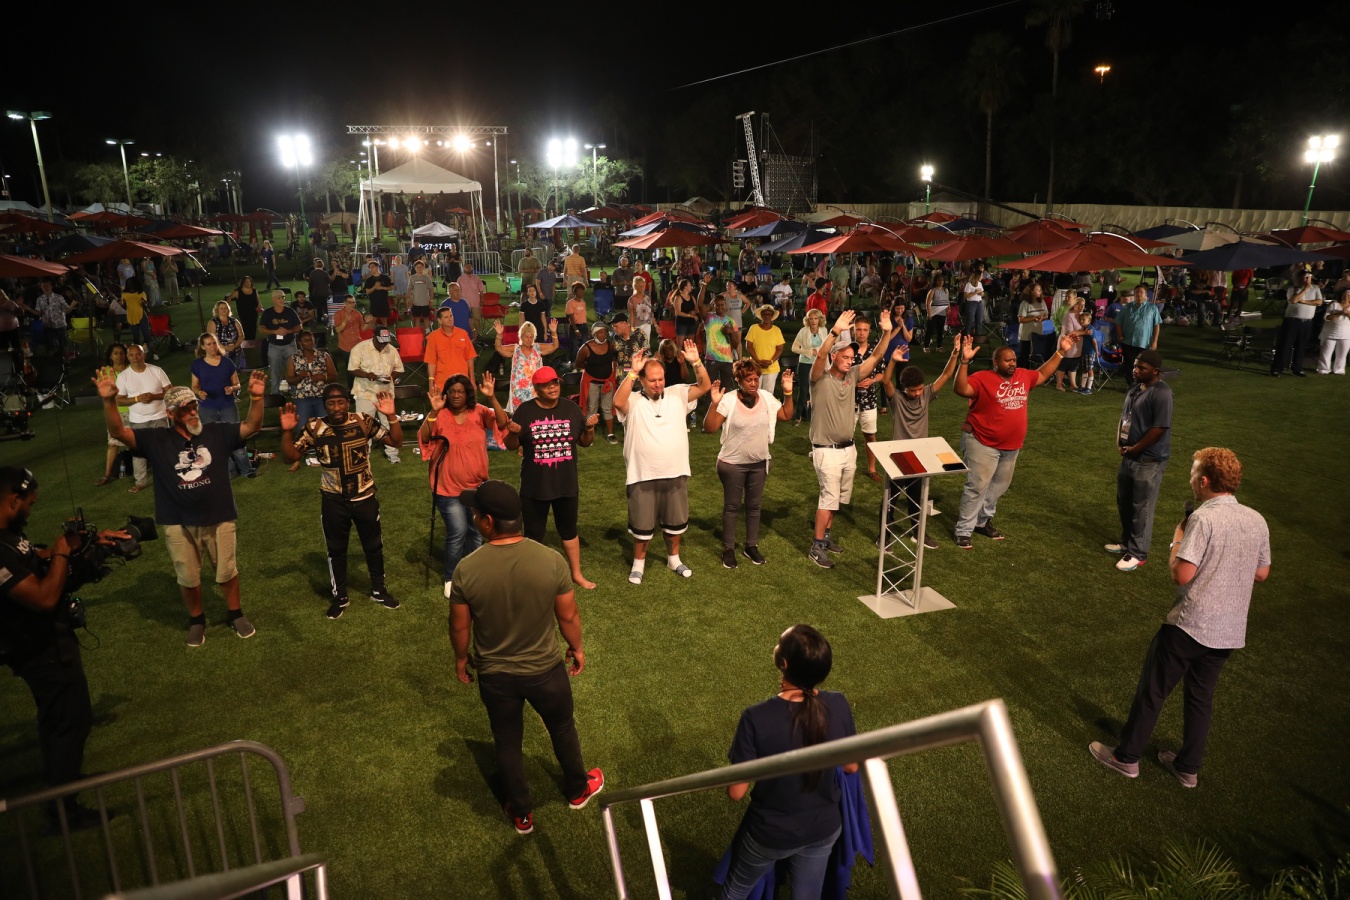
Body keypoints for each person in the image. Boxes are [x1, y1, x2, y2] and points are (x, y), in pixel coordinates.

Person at [1089, 448, 1271, 788]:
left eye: (1193, 473)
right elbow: (1262, 573)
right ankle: (1188, 768)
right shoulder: (1256, 519)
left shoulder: (1202, 519)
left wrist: (1177, 538)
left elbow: (1181, 574)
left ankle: (1126, 758)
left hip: (1190, 625)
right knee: (1200, 699)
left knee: (1153, 691)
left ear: (1204, 481)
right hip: (1229, 632)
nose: (1190, 479)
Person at [448, 479, 604, 836]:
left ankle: (521, 813)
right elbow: (568, 615)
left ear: (488, 522)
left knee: (507, 741)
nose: (474, 518)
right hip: (546, 671)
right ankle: (577, 790)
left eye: (476, 513)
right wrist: (577, 647)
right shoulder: (551, 560)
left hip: (496, 677)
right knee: (562, 728)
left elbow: (459, 626)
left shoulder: (466, 569)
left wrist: (460, 659)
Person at [0, 467, 130, 831]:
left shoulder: (9, 536)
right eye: (29, 503)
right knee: (70, 721)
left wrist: (83, 544)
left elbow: (31, 557)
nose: (31, 509)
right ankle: (63, 810)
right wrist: (60, 553)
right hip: (39, 650)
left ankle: (61, 782)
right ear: (13, 500)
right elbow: (43, 598)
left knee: (58, 720)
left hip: (47, 643)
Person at [96, 374, 268, 646]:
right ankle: (196, 620)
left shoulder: (217, 432)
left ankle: (236, 614)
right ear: (170, 413)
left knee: (227, 571)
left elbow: (252, 426)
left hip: (220, 515)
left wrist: (256, 398)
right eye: (184, 409)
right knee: (187, 576)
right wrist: (109, 402)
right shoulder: (156, 439)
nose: (192, 412)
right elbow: (119, 433)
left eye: (193, 406)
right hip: (177, 521)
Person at [718, 625, 858, 900]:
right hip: (823, 827)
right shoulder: (838, 703)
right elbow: (851, 766)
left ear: (783, 664)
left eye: (779, 643)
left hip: (771, 833)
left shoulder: (756, 717)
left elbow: (736, 792)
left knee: (735, 891)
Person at [280, 384, 403, 619]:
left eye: (341, 402)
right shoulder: (315, 427)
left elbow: (395, 442)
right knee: (336, 551)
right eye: (331, 403)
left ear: (348, 402)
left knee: (374, 547)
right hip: (333, 500)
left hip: (365, 497)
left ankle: (379, 590)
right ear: (325, 405)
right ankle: (340, 597)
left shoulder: (363, 421)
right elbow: (290, 457)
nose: (337, 407)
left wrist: (391, 416)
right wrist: (287, 432)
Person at [950, 332, 1076, 550]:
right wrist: (964, 362)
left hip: (1011, 446)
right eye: (1007, 360)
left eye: (1014, 360)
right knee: (977, 486)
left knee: (998, 487)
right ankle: (963, 530)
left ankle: (982, 522)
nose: (1012, 364)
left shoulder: (1023, 376)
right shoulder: (982, 378)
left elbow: (1042, 374)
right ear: (995, 362)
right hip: (982, 442)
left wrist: (1061, 351)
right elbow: (961, 389)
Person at [613, 343, 712, 584]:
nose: (658, 384)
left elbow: (704, 386)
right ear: (642, 381)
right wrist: (632, 372)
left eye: (660, 379)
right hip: (642, 474)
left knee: (675, 523)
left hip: (675, 472)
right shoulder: (633, 399)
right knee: (641, 525)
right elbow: (617, 402)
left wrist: (696, 362)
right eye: (652, 380)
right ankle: (638, 563)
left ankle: (673, 559)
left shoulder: (677, 394)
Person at [805, 310, 893, 568]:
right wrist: (835, 331)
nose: (849, 361)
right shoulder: (819, 378)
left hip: (848, 450)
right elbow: (820, 355)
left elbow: (876, 357)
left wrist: (887, 332)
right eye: (845, 357)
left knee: (838, 500)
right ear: (834, 357)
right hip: (826, 450)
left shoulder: (852, 375)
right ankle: (816, 546)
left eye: (851, 358)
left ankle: (826, 537)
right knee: (828, 498)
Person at [504, 367, 601, 589]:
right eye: (547, 385)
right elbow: (511, 446)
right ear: (536, 389)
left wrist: (589, 429)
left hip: (566, 484)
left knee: (569, 531)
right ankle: (530, 576)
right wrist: (513, 433)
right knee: (533, 535)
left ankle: (576, 574)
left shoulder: (571, 408)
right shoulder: (525, 411)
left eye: (555, 383)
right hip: (534, 486)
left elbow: (584, 442)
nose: (553, 387)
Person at [418, 373, 511, 596]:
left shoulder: (479, 411)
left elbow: (502, 423)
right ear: (446, 394)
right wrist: (433, 411)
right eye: (452, 391)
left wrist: (492, 398)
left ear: (467, 393)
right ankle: (451, 577)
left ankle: (474, 574)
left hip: (476, 486)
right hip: (447, 487)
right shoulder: (440, 415)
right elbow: (425, 437)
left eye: (460, 391)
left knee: (476, 533)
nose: (456, 395)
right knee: (457, 532)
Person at [704, 359, 794, 568]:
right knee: (732, 506)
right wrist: (714, 403)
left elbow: (786, 415)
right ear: (739, 380)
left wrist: (788, 393)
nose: (753, 383)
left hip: (758, 464)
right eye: (748, 380)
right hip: (732, 464)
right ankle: (728, 548)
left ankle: (751, 546)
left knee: (754, 507)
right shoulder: (728, 400)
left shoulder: (766, 398)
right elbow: (710, 428)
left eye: (756, 379)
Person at [880, 346, 960, 551]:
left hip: (920, 457)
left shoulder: (926, 395)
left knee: (917, 498)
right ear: (904, 388)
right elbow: (886, 381)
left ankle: (918, 533)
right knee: (891, 499)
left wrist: (954, 353)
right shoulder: (897, 399)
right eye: (913, 390)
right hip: (898, 457)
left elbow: (946, 375)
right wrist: (893, 361)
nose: (917, 393)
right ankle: (884, 536)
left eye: (920, 389)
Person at [1104, 350, 1174, 572]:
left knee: (1141, 506)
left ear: (1156, 371)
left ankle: (1138, 553)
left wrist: (1136, 448)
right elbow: (1125, 417)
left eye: (1141, 368)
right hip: (1129, 455)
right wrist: (1120, 442)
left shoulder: (1162, 394)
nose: (1135, 370)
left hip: (1149, 459)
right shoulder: (1135, 388)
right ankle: (1126, 543)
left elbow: (1160, 428)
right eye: (1135, 366)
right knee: (1124, 501)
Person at [190, 332, 255, 479]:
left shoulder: (226, 362)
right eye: (209, 344)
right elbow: (194, 386)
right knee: (216, 442)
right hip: (208, 407)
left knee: (235, 438)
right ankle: (229, 471)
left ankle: (246, 470)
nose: (212, 346)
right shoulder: (198, 365)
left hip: (227, 405)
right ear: (202, 347)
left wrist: (232, 388)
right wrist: (199, 392)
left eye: (214, 343)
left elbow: (237, 384)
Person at [114, 343, 172, 494]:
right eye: (131, 355)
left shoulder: (157, 371)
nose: (135, 357)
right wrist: (137, 399)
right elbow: (119, 400)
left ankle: (166, 477)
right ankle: (140, 482)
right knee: (138, 452)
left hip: (159, 416)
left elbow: (170, 392)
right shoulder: (124, 376)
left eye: (138, 354)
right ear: (128, 357)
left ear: (144, 354)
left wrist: (154, 396)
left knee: (163, 449)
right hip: (138, 420)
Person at [347, 327, 405, 464]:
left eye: (385, 342)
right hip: (365, 392)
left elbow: (399, 369)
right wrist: (367, 375)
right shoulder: (359, 348)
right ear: (373, 336)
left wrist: (390, 377)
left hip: (386, 393)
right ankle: (364, 457)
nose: (383, 345)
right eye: (380, 342)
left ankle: (392, 453)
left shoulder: (391, 349)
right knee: (364, 425)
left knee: (388, 423)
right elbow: (352, 369)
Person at [494, 319, 560, 413]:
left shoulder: (538, 348)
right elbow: (499, 348)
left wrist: (553, 332)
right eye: (526, 337)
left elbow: (555, 346)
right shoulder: (515, 349)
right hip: (518, 391)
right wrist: (499, 335)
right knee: (519, 416)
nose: (529, 339)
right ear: (521, 336)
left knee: (536, 414)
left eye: (531, 337)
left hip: (535, 390)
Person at [1270, 270, 1323, 378]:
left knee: (1301, 346)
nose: (1307, 279)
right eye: (1304, 277)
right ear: (1299, 278)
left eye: (1308, 277)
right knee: (1285, 345)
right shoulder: (1293, 289)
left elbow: (1319, 302)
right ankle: (1277, 368)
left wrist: (1304, 301)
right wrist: (1305, 289)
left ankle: (1297, 368)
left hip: (1307, 322)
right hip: (1292, 321)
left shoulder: (1315, 288)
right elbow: (1294, 300)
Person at [286, 330, 337, 437]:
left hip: (322, 397)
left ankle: (324, 445)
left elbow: (334, 376)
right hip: (303, 398)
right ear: (300, 343)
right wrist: (299, 377)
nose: (309, 342)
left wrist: (323, 377)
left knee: (325, 427)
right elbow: (289, 380)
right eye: (306, 340)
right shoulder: (294, 358)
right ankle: (305, 446)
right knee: (303, 428)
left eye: (311, 340)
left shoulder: (324, 356)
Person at [575, 321, 618, 444]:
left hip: (607, 381)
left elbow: (614, 358)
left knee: (607, 407)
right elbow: (578, 363)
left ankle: (610, 433)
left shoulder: (610, 345)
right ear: (594, 334)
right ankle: (589, 433)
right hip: (592, 382)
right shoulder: (586, 348)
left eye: (604, 332)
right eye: (600, 333)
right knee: (591, 408)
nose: (603, 335)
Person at [425, 305, 478, 399]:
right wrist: (431, 384)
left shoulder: (463, 334)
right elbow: (431, 362)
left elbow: (469, 359)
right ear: (440, 320)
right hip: (442, 383)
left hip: (462, 381)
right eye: (446, 317)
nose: (450, 319)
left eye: (451, 316)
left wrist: (472, 381)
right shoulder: (433, 337)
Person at [258, 290, 302, 395]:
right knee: (275, 371)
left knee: (293, 370)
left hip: (290, 345)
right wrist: (274, 331)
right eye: (279, 298)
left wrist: (289, 331)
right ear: (273, 299)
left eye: (283, 297)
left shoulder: (290, 311)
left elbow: (299, 326)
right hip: (274, 346)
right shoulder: (268, 313)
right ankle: (275, 394)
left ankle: (295, 392)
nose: (282, 300)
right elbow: (261, 328)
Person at [1115, 285, 1161, 385]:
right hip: (1128, 341)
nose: (1138, 294)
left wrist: (1155, 341)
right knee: (1129, 365)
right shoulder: (1127, 307)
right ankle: (1132, 385)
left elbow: (1156, 325)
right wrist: (1121, 335)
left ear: (1145, 294)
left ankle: (1142, 384)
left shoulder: (1152, 308)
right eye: (1136, 292)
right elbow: (1118, 322)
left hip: (1144, 342)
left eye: (1141, 292)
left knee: (1143, 366)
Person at [790, 309, 827, 424]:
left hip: (820, 364)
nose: (813, 321)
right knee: (804, 390)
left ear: (820, 319)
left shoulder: (824, 330)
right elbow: (794, 348)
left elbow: (827, 347)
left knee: (819, 390)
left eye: (816, 318)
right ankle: (798, 416)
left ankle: (816, 415)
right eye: (811, 319)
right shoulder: (803, 331)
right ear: (808, 320)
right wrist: (810, 352)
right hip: (805, 364)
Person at [743, 304, 786, 395]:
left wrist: (771, 361)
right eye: (765, 314)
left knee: (768, 393)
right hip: (755, 366)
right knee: (754, 391)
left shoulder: (776, 330)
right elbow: (749, 346)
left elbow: (779, 348)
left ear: (772, 316)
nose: (767, 316)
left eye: (769, 314)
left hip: (772, 368)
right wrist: (757, 360)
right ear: (761, 316)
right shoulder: (754, 328)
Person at [1055, 295, 1093, 393]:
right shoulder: (1068, 316)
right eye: (1080, 305)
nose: (1083, 307)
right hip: (1068, 344)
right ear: (1075, 305)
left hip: (1078, 345)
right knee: (1063, 365)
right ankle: (1059, 384)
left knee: (1073, 365)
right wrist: (1084, 333)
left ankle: (1073, 385)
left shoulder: (1081, 315)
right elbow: (1069, 332)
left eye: (1083, 305)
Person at [704, 295, 741, 391]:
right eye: (718, 305)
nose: (720, 307)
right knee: (711, 388)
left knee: (726, 389)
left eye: (722, 305)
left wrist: (730, 333)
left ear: (725, 306)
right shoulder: (709, 317)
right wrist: (703, 287)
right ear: (714, 306)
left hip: (727, 360)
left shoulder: (731, 321)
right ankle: (710, 401)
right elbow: (699, 305)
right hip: (712, 359)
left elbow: (736, 344)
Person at [1016, 283, 1052, 370]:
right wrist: (1033, 318)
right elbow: (1021, 319)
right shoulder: (1025, 304)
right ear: (1031, 291)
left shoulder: (1042, 302)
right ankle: (1021, 372)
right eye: (1037, 289)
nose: (1040, 291)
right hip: (1026, 334)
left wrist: (1042, 318)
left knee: (1035, 354)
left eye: (1040, 289)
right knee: (1024, 355)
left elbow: (1046, 315)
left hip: (1038, 333)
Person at [1316, 287, 1350, 374]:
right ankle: (1323, 369)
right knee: (1326, 352)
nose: (1346, 297)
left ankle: (1339, 370)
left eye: (1349, 296)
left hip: (1346, 335)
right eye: (1344, 295)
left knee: (1342, 354)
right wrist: (1340, 313)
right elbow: (1327, 317)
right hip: (1330, 333)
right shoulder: (1334, 304)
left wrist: (1348, 313)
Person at [34, 280, 72, 359]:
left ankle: (67, 360)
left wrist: (71, 307)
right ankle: (51, 361)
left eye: (47, 286)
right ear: (41, 287)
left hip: (60, 324)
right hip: (47, 325)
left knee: (64, 344)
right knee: (49, 345)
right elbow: (38, 312)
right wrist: (28, 309)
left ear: (51, 286)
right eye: (43, 286)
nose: (46, 288)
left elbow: (66, 309)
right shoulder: (39, 299)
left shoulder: (59, 297)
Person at [206, 300, 244, 366]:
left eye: (225, 308)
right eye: (221, 308)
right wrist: (225, 347)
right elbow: (211, 339)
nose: (224, 310)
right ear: (217, 310)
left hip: (236, 352)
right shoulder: (213, 322)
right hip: (220, 353)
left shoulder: (234, 321)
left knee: (235, 370)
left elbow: (241, 335)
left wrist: (235, 345)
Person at [227, 276, 260, 346]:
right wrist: (229, 309)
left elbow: (258, 300)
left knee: (253, 326)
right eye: (247, 282)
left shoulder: (254, 290)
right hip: (243, 313)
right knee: (245, 326)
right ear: (243, 283)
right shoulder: (238, 291)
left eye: (250, 281)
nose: (249, 283)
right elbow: (229, 298)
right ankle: (246, 341)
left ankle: (252, 341)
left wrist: (260, 307)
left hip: (253, 312)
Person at [458, 261, 487, 336]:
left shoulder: (477, 278)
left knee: (477, 318)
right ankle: (466, 334)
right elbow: (458, 291)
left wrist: (482, 299)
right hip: (464, 302)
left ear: (472, 268)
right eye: (466, 267)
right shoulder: (460, 279)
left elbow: (481, 290)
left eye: (469, 267)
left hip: (475, 301)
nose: (468, 268)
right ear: (464, 268)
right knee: (465, 319)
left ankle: (477, 334)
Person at [406, 258, 436, 331]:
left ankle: (427, 332)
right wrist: (410, 300)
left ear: (423, 268)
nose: (419, 269)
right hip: (415, 302)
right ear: (415, 268)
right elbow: (409, 289)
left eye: (420, 267)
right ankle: (417, 332)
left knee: (426, 318)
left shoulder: (427, 278)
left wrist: (431, 300)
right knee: (417, 318)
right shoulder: (412, 278)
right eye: (417, 267)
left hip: (425, 302)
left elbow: (431, 289)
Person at [363, 261, 394, 326]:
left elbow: (391, 287)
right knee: (372, 321)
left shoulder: (385, 277)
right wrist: (375, 287)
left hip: (384, 302)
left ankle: (385, 332)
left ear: (377, 267)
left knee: (384, 321)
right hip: (374, 303)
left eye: (372, 267)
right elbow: (367, 291)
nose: (371, 269)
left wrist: (382, 288)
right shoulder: (369, 280)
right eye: (370, 267)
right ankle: (372, 332)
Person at [306, 258, 332, 323]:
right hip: (325, 292)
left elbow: (310, 282)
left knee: (318, 306)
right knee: (325, 306)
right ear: (322, 265)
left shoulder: (312, 273)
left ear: (315, 265)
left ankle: (319, 319)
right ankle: (326, 319)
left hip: (316, 292)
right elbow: (329, 281)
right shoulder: (325, 273)